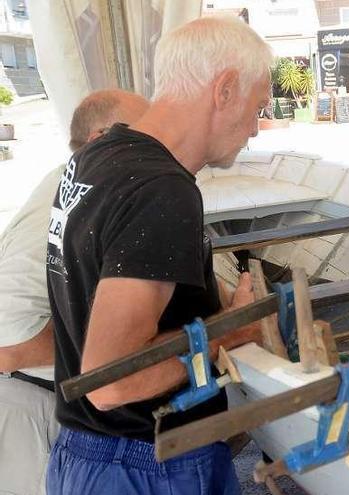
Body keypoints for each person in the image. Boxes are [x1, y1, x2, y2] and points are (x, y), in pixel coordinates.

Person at [45, 16, 272, 495]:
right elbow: (110, 382)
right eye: (258, 107)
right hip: (145, 465)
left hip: (80, 454)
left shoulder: (97, 158)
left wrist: (217, 303)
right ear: (225, 88)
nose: (256, 127)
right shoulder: (162, 190)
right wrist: (232, 332)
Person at [0, 89, 149, 495]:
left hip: (41, 397)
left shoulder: (79, 183)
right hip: (28, 405)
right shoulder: (77, 191)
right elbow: (7, 342)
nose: (157, 144)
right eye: (146, 133)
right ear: (103, 138)